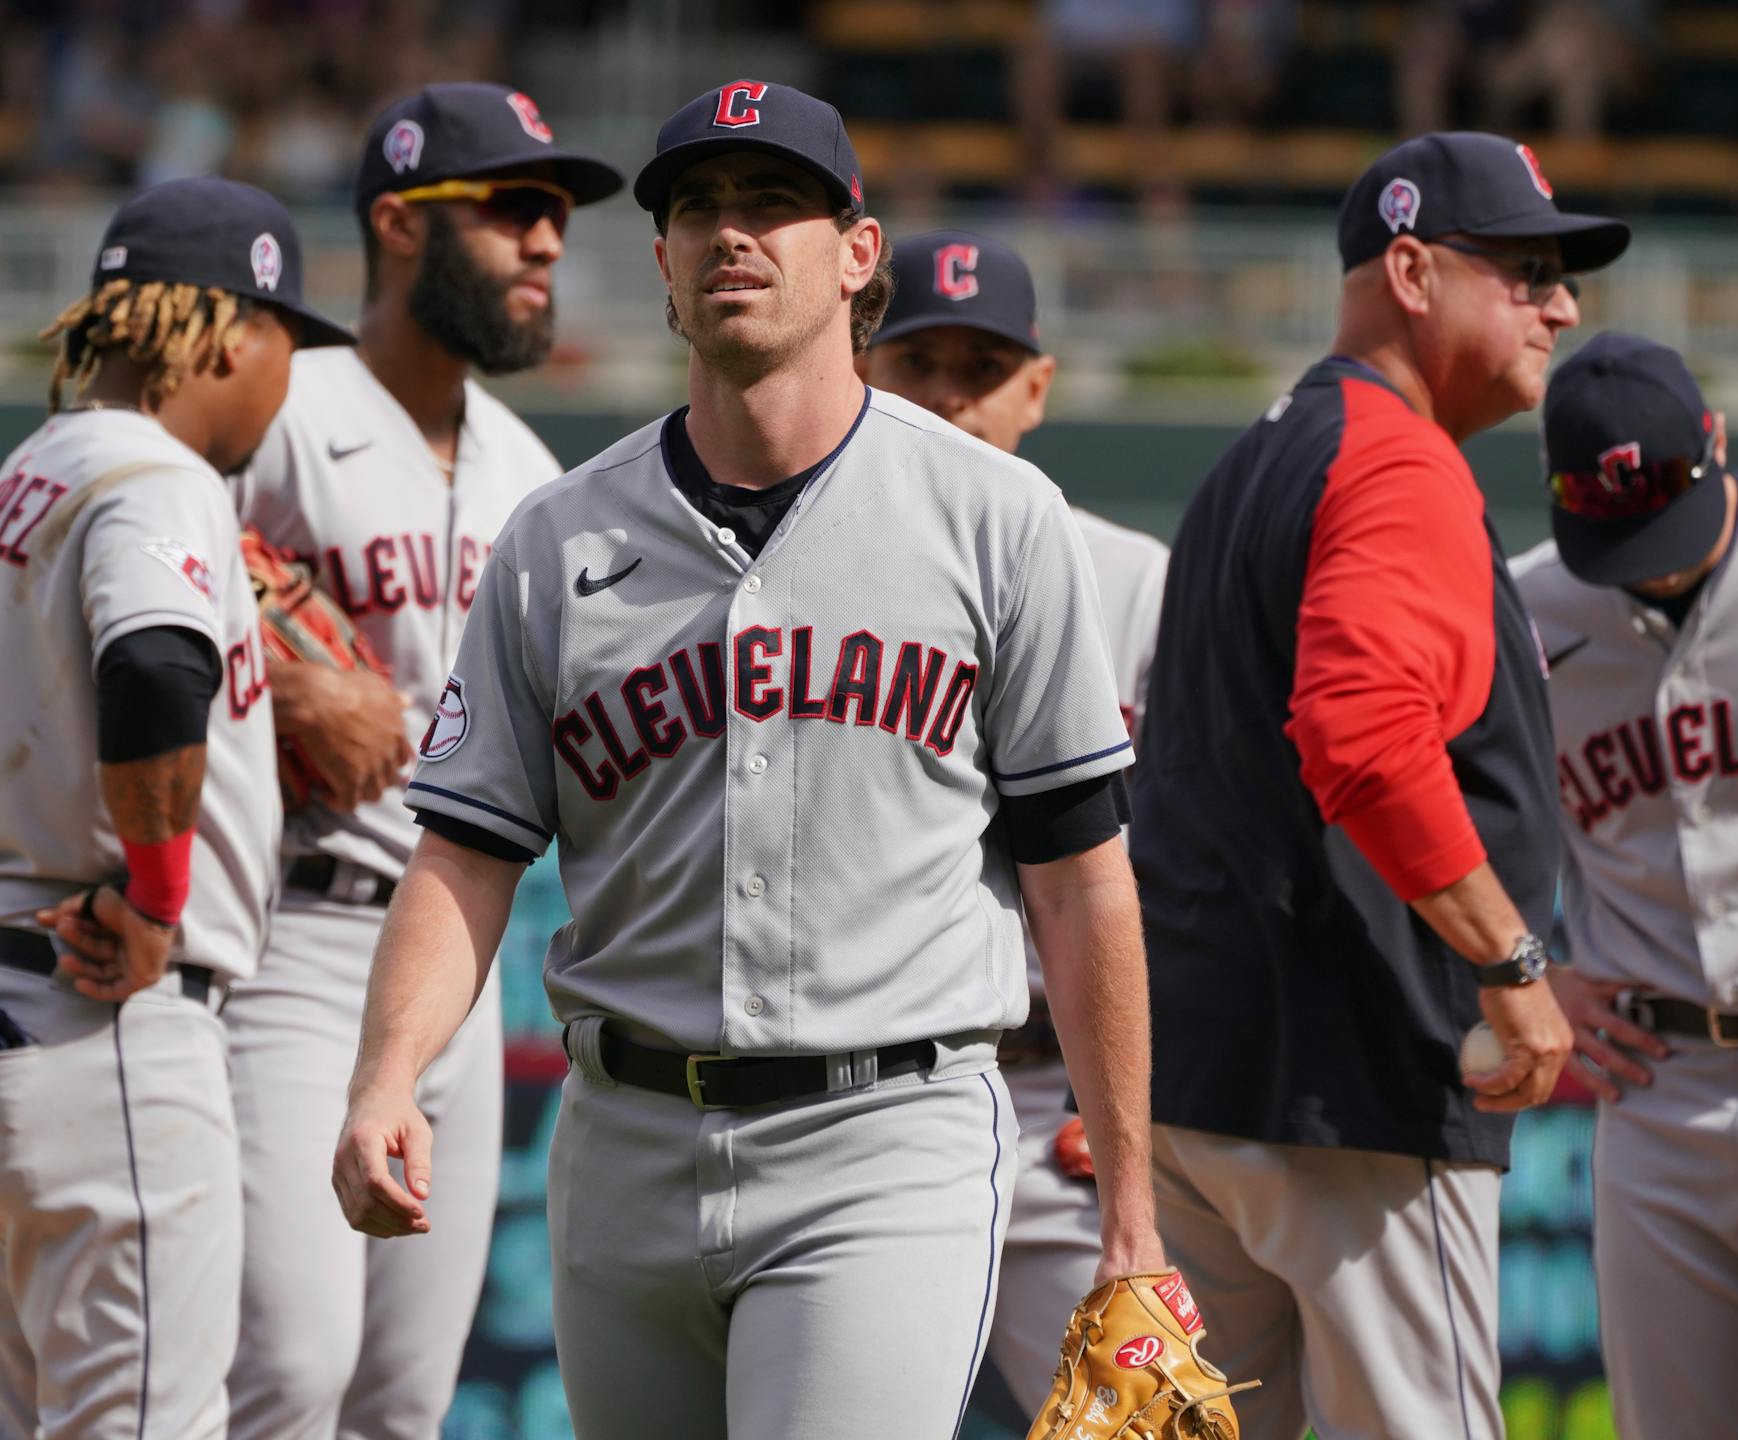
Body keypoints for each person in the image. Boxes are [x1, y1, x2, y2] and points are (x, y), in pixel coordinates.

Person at [331, 80, 1179, 1438]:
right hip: (626, 1140)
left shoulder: (996, 518)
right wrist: (384, 1078)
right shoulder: (557, 539)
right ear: (662, 265)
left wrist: (1132, 1219)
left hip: (885, 1135)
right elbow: (467, 852)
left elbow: (1082, 882)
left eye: (773, 204)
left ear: (856, 256)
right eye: (698, 209)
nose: (731, 233)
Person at [1130, 131, 1625, 1438]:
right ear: (1410, 269)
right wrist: (1513, 968)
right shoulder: (1396, 462)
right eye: (1524, 270)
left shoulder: (1257, 455)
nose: (1560, 303)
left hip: (1208, 1086)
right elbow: (1362, 740)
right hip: (1356, 1087)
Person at [0, 176, 351, 1440]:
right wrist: (158, 897)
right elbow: (152, 665)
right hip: (99, 1005)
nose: (287, 376)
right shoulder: (157, 474)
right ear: (221, 331)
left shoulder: (16, 483)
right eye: (284, 340)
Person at [220, 82, 621, 1440]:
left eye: (555, 214)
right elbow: (112, 591)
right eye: (513, 208)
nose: (547, 241)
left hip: (460, 959)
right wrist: (278, 670)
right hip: (292, 928)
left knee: (400, 1402)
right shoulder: (277, 402)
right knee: (288, 1371)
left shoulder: (531, 470)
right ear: (400, 221)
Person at [1513, 332, 1738, 1440]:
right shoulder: (1528, 611)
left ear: (1718, 445)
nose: (1653, 558)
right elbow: (1406, 798)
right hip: (1658, 1089)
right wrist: (1523, 968)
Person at [856, 227, 1170, 1417]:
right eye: (919, 360)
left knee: (1141, 1425)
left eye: (981, 368)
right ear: (865, 367)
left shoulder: (1139, 581)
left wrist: (1135, 1103)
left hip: (1064, 1100)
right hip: (877, 1089)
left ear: (1036, 389)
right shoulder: (808, 573)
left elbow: (1186, 860)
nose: (950, 396)